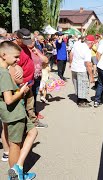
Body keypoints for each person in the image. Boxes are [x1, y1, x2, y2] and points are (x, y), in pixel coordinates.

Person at [0, 41, 38, 180]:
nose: (17, 60)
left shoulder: (4, 71)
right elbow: (9, 99)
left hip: (14, 111)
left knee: (33, 131)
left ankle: (18, 168)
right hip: (13, 112)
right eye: (15, 57)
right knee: (15, 144)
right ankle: (15, 175)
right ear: (4, 55)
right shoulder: (3, 73)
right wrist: (21, 91)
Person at [14, 28, 45, 128]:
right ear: (16, 38)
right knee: (20, 107)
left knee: (30, 106)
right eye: (24, 41)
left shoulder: (25, 46)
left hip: (29, 82)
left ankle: (33, 122)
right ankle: (22, 128)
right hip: (20, 85)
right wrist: (21, 84)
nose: (27, 43)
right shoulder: (13, 49)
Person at [28, 34, 49, 127]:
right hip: (28, 79)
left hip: (37, 77)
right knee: (29, 99)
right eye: (30, 41)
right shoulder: (23, 51)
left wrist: (37, 52)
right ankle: (31, 120)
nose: (31, 43)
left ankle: (34, 114)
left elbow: (45, 60)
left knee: (34, 97)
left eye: (33, 41)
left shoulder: (36, 50)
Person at [69, 35, 95, 107]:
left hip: (74, 68)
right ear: (91, 43)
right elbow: (88, 64)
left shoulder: (77, 44)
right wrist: (91, 76)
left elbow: (71, 54)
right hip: (81, 69)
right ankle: (81, 101)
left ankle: (80, 99)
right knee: (83, 85)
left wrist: (71, 63)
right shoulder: (87, 50)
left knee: (77, 84)